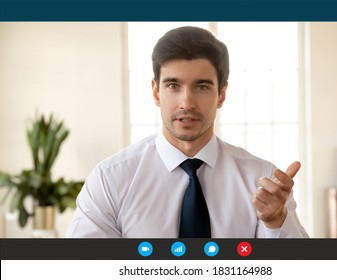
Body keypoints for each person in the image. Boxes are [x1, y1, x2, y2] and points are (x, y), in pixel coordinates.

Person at [66, 26, 309, 238]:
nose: (186, 102)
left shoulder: (262, 181)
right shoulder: (110, 179)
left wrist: (276, 221)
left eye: (202, 86)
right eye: (173, 85)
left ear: (221, 94)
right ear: (156, 92)